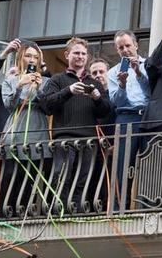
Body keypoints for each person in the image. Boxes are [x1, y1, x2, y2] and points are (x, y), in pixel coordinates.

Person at [39, 37, 113, 212]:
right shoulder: (57, 79)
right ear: (67, 55)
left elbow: (106, 112)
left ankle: (75, 213)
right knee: (61, 177)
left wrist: (97, 98)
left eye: (83, 54)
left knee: (83, 179)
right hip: (64, 139)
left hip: (89, 141)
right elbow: (47, 105)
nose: (80, 56)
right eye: (76, 53)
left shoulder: (94, 83)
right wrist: (68, 91)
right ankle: (59, 213)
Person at [0, 40, 50, 216]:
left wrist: (39, 88)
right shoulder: (10, 80)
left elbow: (48, 107)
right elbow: (8, 104)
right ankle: (6, 214)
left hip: (37, 129)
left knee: (31, 178)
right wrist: (20, 85)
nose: (31, 60)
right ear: (21, 57)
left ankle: (25, 214)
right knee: (10, 177)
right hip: (15, 131)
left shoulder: (46, 81)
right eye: (28, 55)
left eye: (36, 57)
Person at [105, 30, 149, 208]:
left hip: (147, 117)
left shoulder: (148, 65)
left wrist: (138, 72)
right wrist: (122, 85)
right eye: (120, 47)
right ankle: (118, 208)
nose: (124, 50)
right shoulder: (113, 72)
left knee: (148, 163)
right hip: (125, 118)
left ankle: (147, 207)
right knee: (123, 165)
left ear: (136, 45)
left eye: (127, 45)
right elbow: (116, 101)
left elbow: (153, 93)